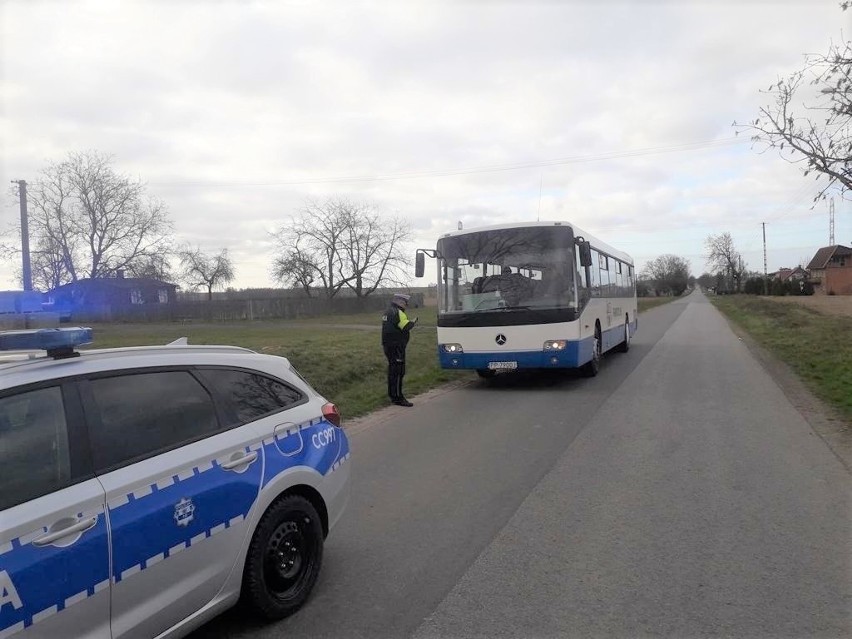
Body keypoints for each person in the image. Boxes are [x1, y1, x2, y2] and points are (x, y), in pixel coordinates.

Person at [381, 293, 418, 407]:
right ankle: (398, 398)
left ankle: (392, 395)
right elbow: (405, 326)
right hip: (397, 347)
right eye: (405, 303)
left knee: (392, 371)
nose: (406, 305)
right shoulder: (399, 313)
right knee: (398, 373)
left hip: (388, 345)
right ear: (400, 302)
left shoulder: (387, 311)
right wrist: (413, 322)